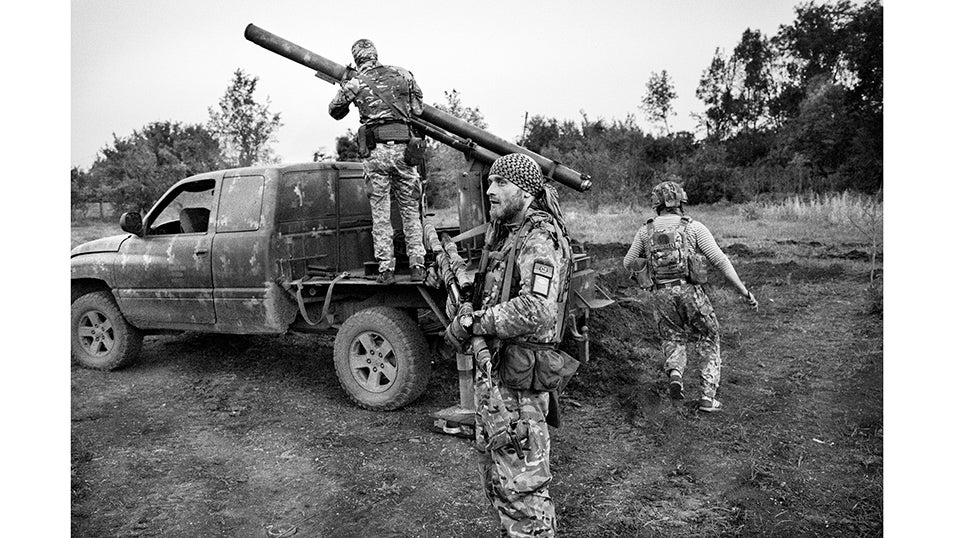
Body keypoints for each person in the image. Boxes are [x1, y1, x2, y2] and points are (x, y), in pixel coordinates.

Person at [445, 153, 574, 537]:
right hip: (500, 383)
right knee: (502, 485)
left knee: (524, 491)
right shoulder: (508, 233)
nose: (489, 191)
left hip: (520, 391)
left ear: (523, 189)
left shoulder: (539, 237)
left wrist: (475, 321)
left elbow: (537, 309)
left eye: (499, 183)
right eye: (490, 183)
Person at [622, 180, 758, 412]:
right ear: (680, 201)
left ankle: (675, 373)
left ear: (656, 204)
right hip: (689, 291)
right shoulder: (694, 228)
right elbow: (720, 261)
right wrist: (744, 292)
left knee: (673, 338)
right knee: (708, 335)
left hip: (661, 294)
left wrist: (645, 278)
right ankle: (707, 396)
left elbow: (628, 263)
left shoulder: (645, 231)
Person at [328, 38, 426, 284]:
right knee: (410, 211)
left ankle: (386, 270)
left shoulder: (356, 82)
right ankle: (417, 266)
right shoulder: (404, 75)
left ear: (357, 58)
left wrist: (347, 89)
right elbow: (418, 110)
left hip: (376, 153)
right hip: (405, 151)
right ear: (375, 54)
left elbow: (334, 111)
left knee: (380, 212)